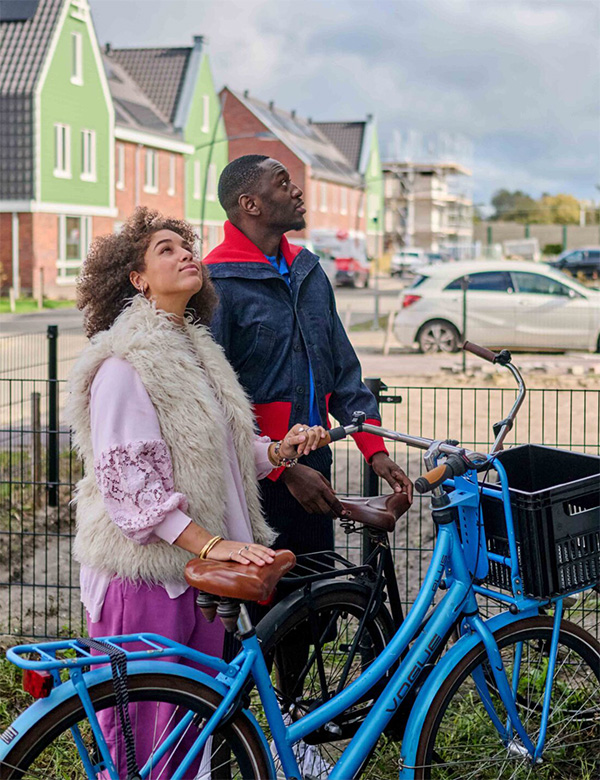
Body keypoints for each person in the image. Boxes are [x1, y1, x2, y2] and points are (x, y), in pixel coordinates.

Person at [66, 206, 326, 778]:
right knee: (146, 743)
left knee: (190, 739)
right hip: (146, 574)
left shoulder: (198, 351)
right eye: (166, 249)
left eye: (186, 246)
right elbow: (130, 484)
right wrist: (213, 545)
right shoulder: (125, 362)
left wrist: (280, 450)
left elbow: (224, 452)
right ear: (136, 279)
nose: (187, 254)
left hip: (194, 575)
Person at [205, 155, 413, 561]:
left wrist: (376, 449)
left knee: (319, 600)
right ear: (251, 204)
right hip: (249, 472)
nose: (297, 191)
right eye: (283, 183)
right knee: (265, 610)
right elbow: (208, 400)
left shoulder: (308, 271)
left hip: (315, 459)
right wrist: (283, 470)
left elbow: (340, 370)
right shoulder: (215, 282)